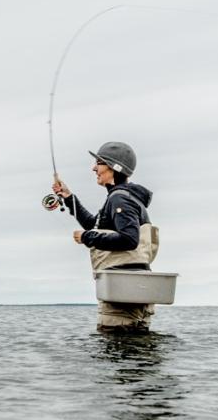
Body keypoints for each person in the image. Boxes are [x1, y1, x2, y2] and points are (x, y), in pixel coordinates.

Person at [52, 141, 159, 333]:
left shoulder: (120, 198)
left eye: (98, 163)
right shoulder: (123, 197)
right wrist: (69, 198)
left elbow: (129, 239)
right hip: (133, 290)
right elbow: (96, 225)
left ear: (113, 167)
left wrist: (88, 238)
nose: (94, 168)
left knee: (115, 357)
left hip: (122, 294)